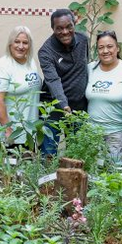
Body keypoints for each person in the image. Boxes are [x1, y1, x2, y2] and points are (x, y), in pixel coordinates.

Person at [38, 9, 89, 155]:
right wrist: (64, 104)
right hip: (52, 107)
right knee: (48, 153)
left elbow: (85, 67)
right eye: (59, 28)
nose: (65, 32)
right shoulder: (46, 51)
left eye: (69, 26)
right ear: (53, 28)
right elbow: (53, 80)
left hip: (78, 107)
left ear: (74, 24)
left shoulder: (83, 40)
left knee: (76, 153)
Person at [0, 26, 42, 147]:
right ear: (10, 44)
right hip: (13, 137)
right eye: (17, 41)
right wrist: (8, 131)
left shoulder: (30, 62)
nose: (21, 46)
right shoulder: (2, 66)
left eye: (25, 43)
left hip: (30, 133)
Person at [85, 30, 122, 160]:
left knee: (115, 170)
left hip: (117, 135)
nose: (105, 51)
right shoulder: (90, 68)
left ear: (117, 48)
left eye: (110, 46)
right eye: (101, 47)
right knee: (93, 170)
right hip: (92, 134)